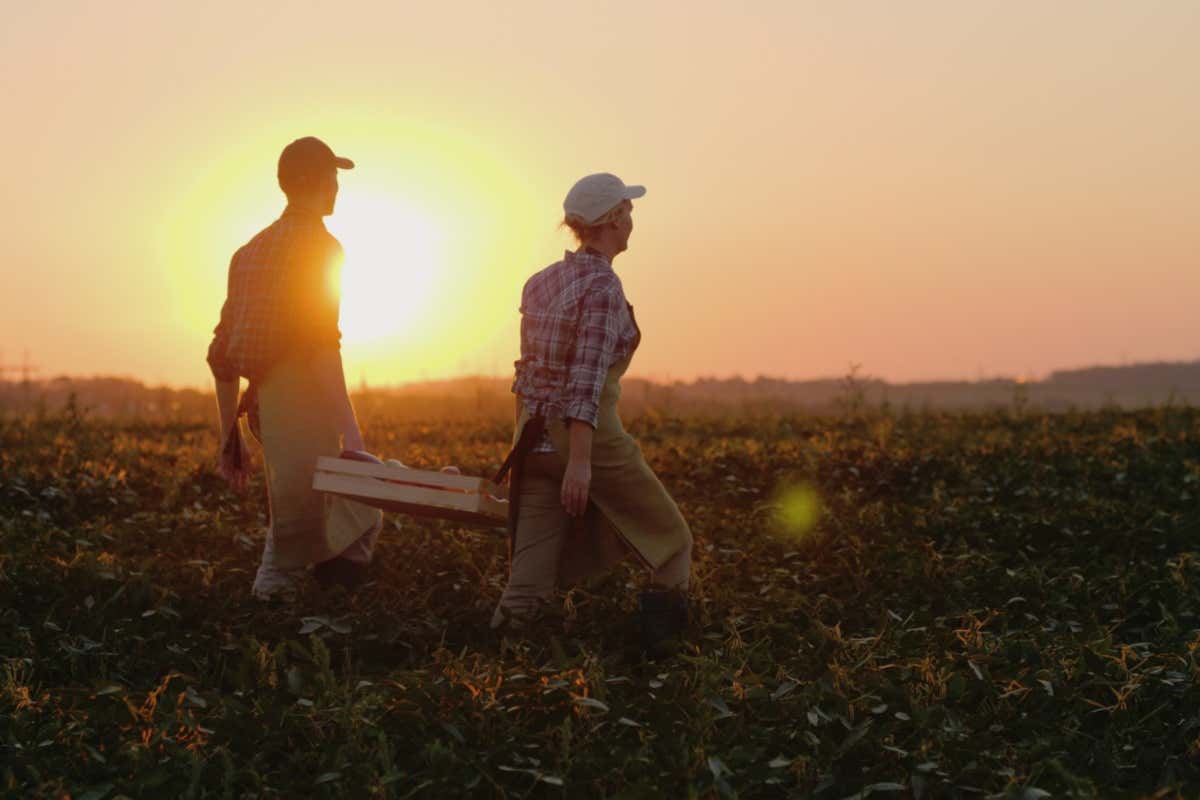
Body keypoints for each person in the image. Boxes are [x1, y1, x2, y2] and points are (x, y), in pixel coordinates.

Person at [493, 173, 694, 652]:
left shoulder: (539, 283)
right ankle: (666, 664)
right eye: (627, 213)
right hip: (587, 439)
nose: (632, 223)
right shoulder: (603, 288)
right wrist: (580, 463)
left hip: (533, 441)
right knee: (671, 541)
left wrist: (527, 444)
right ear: (612, 221)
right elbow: (584, 381)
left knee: (528, 585)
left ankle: (494, 668)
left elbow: (526, 374)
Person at [207, 136, 383, 600]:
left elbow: (221, 357)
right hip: (306, 405)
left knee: (308, 513)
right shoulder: (322, 248)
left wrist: (232, 436)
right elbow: (322, 344)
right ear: (310, 180)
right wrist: (352, 432)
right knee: (330, 518)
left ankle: (310, 613)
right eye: (332, 177)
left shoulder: (248, 253)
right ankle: (301, 622)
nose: (337, 187)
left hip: (268, 408)